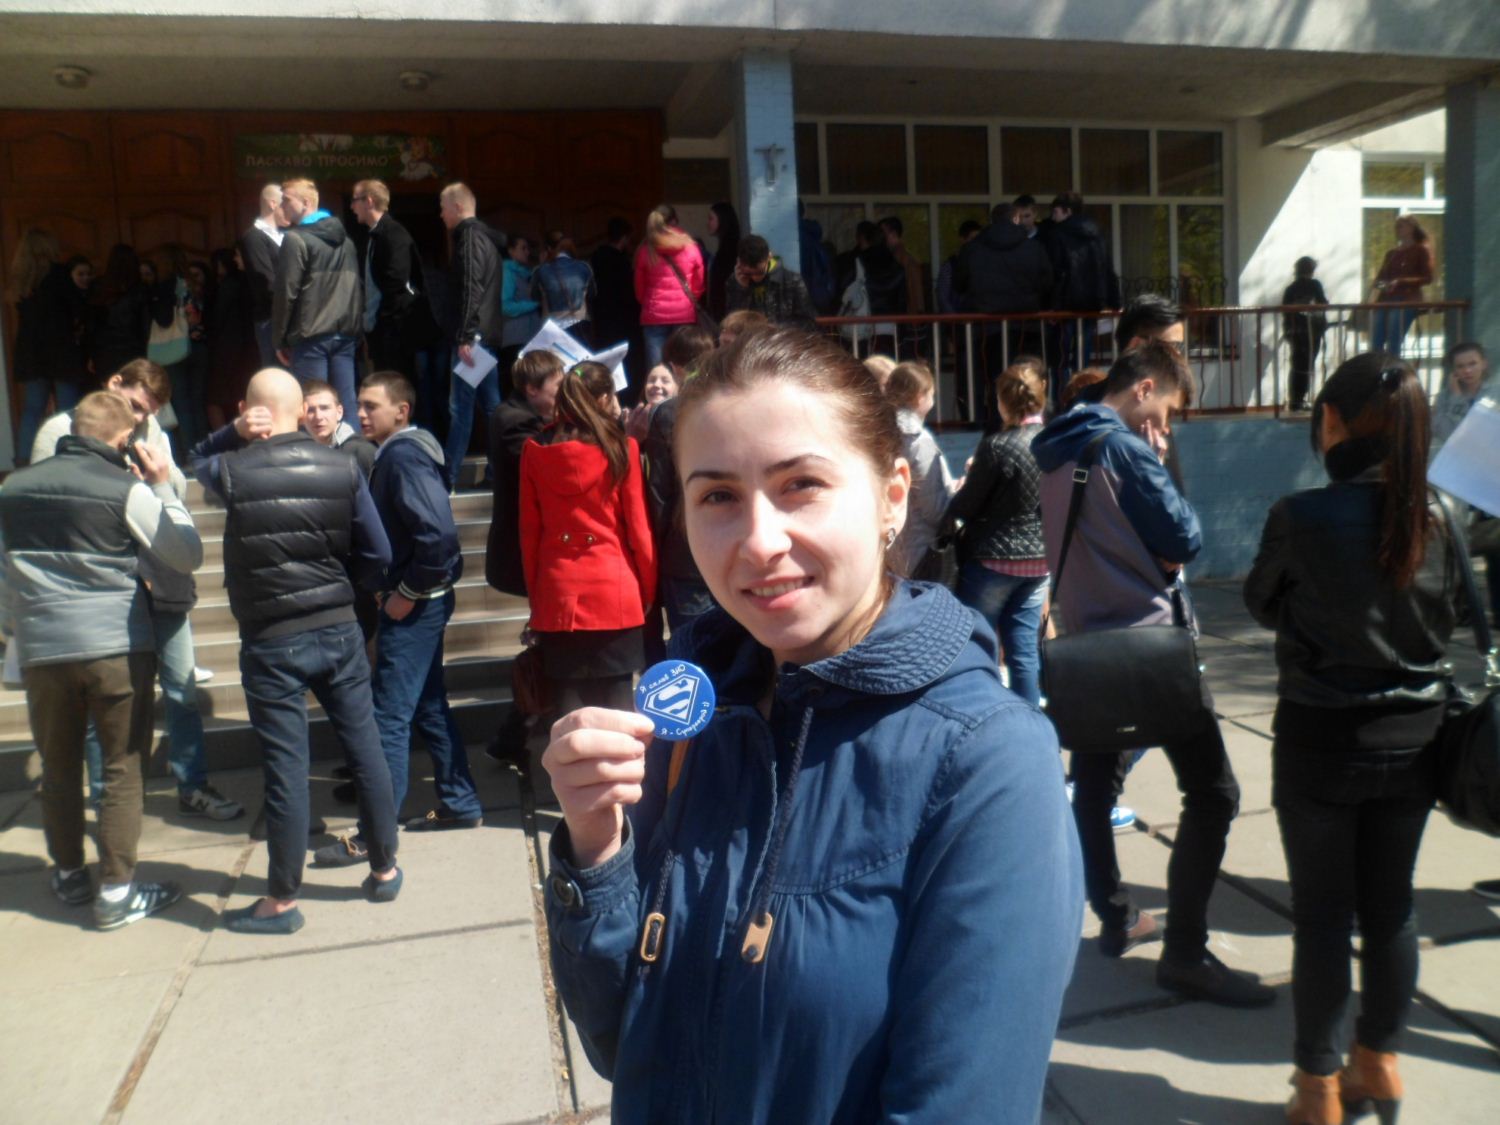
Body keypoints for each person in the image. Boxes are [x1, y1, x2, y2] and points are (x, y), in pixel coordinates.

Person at [541, 326, 1081, 1122]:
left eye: (801, 484)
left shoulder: (989, 761)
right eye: (718, 496)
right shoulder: (692, 719)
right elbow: (626, 1042)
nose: (759, 541)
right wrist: (597, 846)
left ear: (892, 496)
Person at [1244, 355, 1455, 1125]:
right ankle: (1380, 1061)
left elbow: (1262, 600)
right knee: (1393, 910)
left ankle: (1318, 1087)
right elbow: (1457, 614)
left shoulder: (1301, 516)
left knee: (1325, 918)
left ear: (1332, 420)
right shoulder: (1441, 518)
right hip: (1418, 740)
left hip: (1321, 741)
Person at [1032, 341, 1274, 1006]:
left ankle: (1115, 916)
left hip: (1090, 649)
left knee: (1093, 788)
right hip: (1152, 649)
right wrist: (1158, 466)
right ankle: (1186, 952)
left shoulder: (1055, 450)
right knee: (1215, 793)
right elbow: (1185, 538)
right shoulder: (1123, 449)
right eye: (1163, 412)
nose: (1162, 427)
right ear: (1143, 388)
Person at [193, 370, 400, 932]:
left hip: (270, 638)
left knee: (286, 768)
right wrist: (342, 586)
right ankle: (384, 869)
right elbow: (379, 554)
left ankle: (282, 901)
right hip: (337, 628)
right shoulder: (342, 466)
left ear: (250, 410)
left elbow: (193, 460)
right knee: (366, 749)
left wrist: (230, 432)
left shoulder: (231, 469)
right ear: (302, 410)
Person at [0, 391, 202, 929]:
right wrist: (162, 487)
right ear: (124, 439)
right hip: (115, 647)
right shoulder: (124, 488)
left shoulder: (12, 488)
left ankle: (69, 873)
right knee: (121, 769)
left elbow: (4, 574)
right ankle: (115, 892)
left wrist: (13, 630)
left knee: (58, 766)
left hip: (43, 649)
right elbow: (186, 554)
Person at [30, 359, 239, 820]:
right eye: (136, 406)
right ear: (114, 384)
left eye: (149, 412)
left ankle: (193, 786)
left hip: (160, 578)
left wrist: (158, 474)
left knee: (181, 689)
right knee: (104, 702)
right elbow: (51, 505)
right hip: (102, 588)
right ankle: (107, 799)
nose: (140, 417)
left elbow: (175, 490)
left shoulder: (150, 432)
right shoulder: (60, 432)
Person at [358, 371, 484, 830]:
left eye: (371, 406)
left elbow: (438, 537)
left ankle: (376, 833)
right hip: (421, 601)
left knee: (388, 717)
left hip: (416, 606)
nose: (361, 414)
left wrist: (406, 594)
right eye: (360, 405)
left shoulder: (403, 457)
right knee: (428, 705)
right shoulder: (399, 455)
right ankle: (460, 802)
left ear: (401, 411)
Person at [520, 361, 655, 714]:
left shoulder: (534, 450)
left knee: (570, 714)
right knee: (620, 711)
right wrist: (648, 590)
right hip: (615, 588)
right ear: (606, 398)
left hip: (558, 592)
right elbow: (638, 530)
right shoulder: (623, 447)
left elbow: (530, 534)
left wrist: (537, 599)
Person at [945, 361, 1050, 705]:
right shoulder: (1055, 444)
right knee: (1024, 653)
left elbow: (967, 505)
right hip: (1040, 562)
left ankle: (985, 718)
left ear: (1003, 402)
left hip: (994, 560)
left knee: (979, 646)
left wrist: (962, 487)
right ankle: (1029, 724)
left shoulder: (997, 446)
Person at [482, 349, 566, 769]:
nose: (563, 394)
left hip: (536, 551)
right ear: (532, 389)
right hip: (525, 553)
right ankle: (514, 734)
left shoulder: (521, 416)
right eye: (557, 386)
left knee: (551, 649)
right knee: (550, 652)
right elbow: (549, 464)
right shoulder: (514, 421)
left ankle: (513, 736)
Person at [641, 324, 721, 637]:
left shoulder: (668, 414)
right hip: (731, 541)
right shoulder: (733, 404)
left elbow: (659, 492)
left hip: (684, 548)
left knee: (693, 647)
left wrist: (658, 550)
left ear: (675, 367)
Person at [272, 178, 363, 420]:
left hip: (310, 334)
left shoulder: (295, 239)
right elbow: (356, 288)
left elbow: (286, 292)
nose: (281, 206)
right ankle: (353, 445)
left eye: (286, 200)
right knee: (345, 404)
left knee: (312, 407)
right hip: (344, 333)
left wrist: (279, 340)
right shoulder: (346, 241)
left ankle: (319, 449)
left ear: (306, 202)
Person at [441, 181, 506, 489]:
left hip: (474, 338)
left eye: (443, 208)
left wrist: (465, 336)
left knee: (461, 409)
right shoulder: (485, 239)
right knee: (491, 408)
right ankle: (498, 473)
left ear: (457, 207)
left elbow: (471, 287)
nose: (441, 215)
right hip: (485, 336)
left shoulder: (468, 238)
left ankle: (448, 477)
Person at [956, 203, 1053, 390]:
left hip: (985, 326)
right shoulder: (1033, 248)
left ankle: (988, 409)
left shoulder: (972, 249)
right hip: (1026, 325)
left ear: (991, 220)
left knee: (988, 380)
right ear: (1016, 219)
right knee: (1025, 382)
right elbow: (1047, 283)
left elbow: (959, 284)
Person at [352, 179, 438, 389]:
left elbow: (396, 285)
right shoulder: (376, 235)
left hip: (395, 334)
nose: (352, 207)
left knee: (396, 387)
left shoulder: (393, 234)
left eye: (355, 200)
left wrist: (384, 327)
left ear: (369, 201)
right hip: (382, 331)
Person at [884, 360, 956, 577]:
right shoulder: (918, 441)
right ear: (920, 397)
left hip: (888, 542)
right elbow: (933, 507)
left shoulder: (880, 430)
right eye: (931, 393)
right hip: (919, 548)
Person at [8, 228, 74, 464]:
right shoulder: (59, 275)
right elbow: (73, 307)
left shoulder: (21, 279)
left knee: (32, 410)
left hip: (31, 353)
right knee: (67, 410)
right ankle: (70, 457)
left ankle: (23, 461)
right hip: (60, 350)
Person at [1038, 192, 1120, 377]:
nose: (1053, 217)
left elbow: (1056, 272)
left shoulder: (1057, 234)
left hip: (1065, 305)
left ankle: (1063, 391)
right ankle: (1081, 389)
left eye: (1056, 212)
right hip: (1091, 303)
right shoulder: (1096, 234)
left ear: (1067, 211)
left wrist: (1052, 306)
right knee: (1083, 354)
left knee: (1061, 357)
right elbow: (1106, 267)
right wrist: (1113, 301)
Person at [634, 204, 705, 370]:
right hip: (684, 314)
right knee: (684, 365)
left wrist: (650, 303)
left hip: (654, 315)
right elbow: (699, 282)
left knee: (657, 367)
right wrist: (689, 301)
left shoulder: (646, 250)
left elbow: (639, 289)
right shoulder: (690, 246)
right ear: (674, 221)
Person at [1369, 215, 1435, 359]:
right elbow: (1379, 279)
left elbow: (1427, 278)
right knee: (1376, 340)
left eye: (1401, 226)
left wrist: (1400, 281)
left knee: (1394, 340)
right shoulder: (1392, 253)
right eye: (1396, 226)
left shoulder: (1421, 250)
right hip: (1385, 300)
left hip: (1406, 299)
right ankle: (1375, 367)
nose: (1397, 229)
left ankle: (1393, 367)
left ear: (1411, 228)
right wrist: (1383, 285)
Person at [206, 247, 257, 428]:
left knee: (215, 398)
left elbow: (217, 318)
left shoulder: (227, 286)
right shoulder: (250, 283)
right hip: (248, 348)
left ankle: (223, 439)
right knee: (242, 394)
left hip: (226, 348)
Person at [725, 234, 818, 330]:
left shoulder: (792, 280)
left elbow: (809, 322)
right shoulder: (735, 281)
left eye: (759, 272)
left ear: (769, 257)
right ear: (739, 262)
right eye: (749, 274)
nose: (755, 277)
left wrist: (776, 328)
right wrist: (741, 289)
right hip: (750, 337)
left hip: (781, 337)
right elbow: (731, 322)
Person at [240, 183, 287, 367]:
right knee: (277, 374)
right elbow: (266, 283)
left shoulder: (286, 235)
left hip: (288, 319)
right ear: (273, 204)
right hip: (271, 320)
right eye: (286, 203)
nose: (290, 209)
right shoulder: (254, 237)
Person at [89, 244, 151, 381]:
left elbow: (92, 326)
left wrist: (91, 354)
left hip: (104, 351)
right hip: (133, 351)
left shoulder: (99, 287)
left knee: (110, 391)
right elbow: (145, 326)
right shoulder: (140, 290)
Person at [589, 217, 641, 370]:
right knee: (624, 359)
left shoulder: (596, 257)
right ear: (624, 238)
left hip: (601, 314)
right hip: (622, 317)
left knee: (605, 357)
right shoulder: (622, 261)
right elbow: (628, 291)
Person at [302, 376, 376, 476]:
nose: (318, 417)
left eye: (324, 408)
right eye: (310, 410)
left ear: (339, 412)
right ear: (301, 416)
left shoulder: (361, 452)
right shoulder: (302, 456)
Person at [533, 230, 596, 346]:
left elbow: (534, 298)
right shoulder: (584, 267)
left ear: (548, 249)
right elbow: (592, 295)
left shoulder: (540, 271)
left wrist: (542, 264)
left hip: (552, 330)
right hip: (580, 327)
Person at [1283, 256, 1329, 412]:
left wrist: (1288, 330)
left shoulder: (1291, 288)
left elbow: (1285, 311)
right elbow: (1322, 303)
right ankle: (1299, 399)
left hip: (1296, 331)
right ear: (1311, 270)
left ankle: (1296, 400)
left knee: (1297, 364)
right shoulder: (1314, 285)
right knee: (1306, 365)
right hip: (1311, 331)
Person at [499, 233, 541, 380]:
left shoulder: (525, 274)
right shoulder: (507, 272)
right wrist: (534, 304)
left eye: (528, 248)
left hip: (529, 336)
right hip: (516, 338)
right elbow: (505, 306)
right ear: (511, 251)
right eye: (523, 248)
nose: (527, 252)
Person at [704, 200, 741, 321]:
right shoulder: (726, 248)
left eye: (711, 219)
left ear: (722, 220)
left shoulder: (729, 252)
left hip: (727, 314)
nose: (707, 223)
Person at [936, 220, 982, 314]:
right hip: (956, 318)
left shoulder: (982, 264)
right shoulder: (949, 266)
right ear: (962, 239)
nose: (977, 244)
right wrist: (955, 318)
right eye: (973, 239)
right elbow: (942, 297)